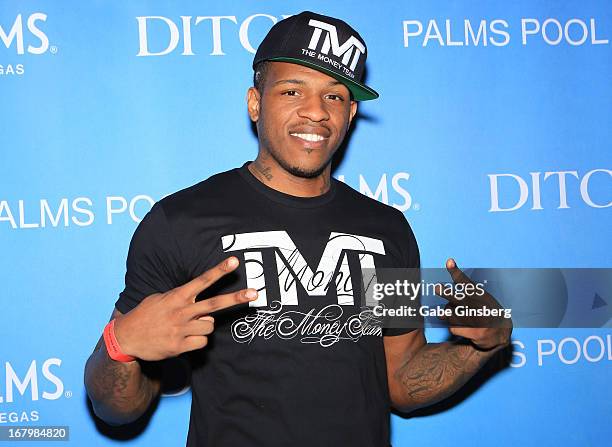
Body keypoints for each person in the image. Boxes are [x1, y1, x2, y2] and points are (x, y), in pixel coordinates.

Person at [84, 11, 511, 446]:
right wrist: (121, 346)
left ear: (351, 113)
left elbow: (401, 381)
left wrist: (479, 347)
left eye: (335, 96)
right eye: (293, 91)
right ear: (255, 102)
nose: (315, 112)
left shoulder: (387, 228)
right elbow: (117, 408)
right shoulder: (180, 222)